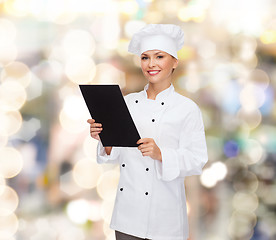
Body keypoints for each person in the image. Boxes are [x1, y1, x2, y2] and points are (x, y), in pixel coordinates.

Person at [87, 24, 208, 240]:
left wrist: (161, 153)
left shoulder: (187, 108)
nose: (151, 64)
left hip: (166, 220)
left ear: (174, 63)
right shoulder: (127, 103)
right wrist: (104, 137)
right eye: (145, 58)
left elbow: (197, 160)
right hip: (127, 217)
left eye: (159, 56)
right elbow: (113, 155)